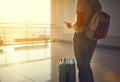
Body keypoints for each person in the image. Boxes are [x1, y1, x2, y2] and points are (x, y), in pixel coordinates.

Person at [65, 0, 102, 82]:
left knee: (82, 67)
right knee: (87, 65)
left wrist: (70, 24)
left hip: (81, 37)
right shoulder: (97, 3)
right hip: (93, 38)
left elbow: (79, 23)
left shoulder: (81, 1)